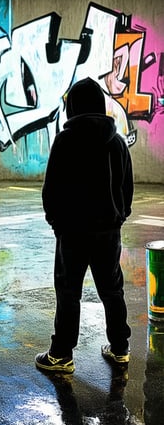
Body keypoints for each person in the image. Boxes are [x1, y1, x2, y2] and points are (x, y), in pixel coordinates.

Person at [35, 77, 133, 373]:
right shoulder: (116, 142)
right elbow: (127, 188)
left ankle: (62, 355)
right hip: (108, 232)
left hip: (73, 233)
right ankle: (120, 348)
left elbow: (51, 190)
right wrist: (118, 218)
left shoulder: (66, 140)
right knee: (112, 289)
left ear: (73, 107)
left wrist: (57, 224)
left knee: (68, 291)